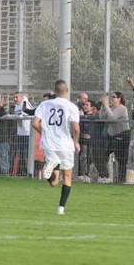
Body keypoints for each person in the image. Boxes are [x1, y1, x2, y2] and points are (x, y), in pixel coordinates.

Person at [32, 80, 80, 215]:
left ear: (54, 90)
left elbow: (35, 123)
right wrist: (76, 142)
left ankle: (47, 171)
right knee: (67, 176)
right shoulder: (72, 107)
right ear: (67, 90)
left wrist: (44, 133)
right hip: (65, 145)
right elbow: (76, 128)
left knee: (54, 183)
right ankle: (61, 208)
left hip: (49, 144)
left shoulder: (44, 104)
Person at [100, 91, 131, 184]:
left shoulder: (122, 108)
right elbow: (102, 117)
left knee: (121, 158)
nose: (112, 98)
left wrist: (106, 106)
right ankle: (104, 176)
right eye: (112, 97)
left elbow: (112, 118)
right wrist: (103, 106)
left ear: (119, 99)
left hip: (122, 135)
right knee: (104, 154)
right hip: (112, 136)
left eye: (114, 97)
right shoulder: (110, 107)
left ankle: (121, 180)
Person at [9, 92, 33, 177]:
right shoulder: (16, 106)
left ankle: (30, 171)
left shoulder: (25, 104)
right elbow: (17, 116)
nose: (15, 99)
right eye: (14, 97)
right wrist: (8, 116)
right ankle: (22, 172)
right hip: (20, 132)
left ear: (21, 97)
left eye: (16, 97)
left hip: (27, 133)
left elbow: (31, 114)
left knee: (27, 153)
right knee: (21, 153)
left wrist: (20, 117)